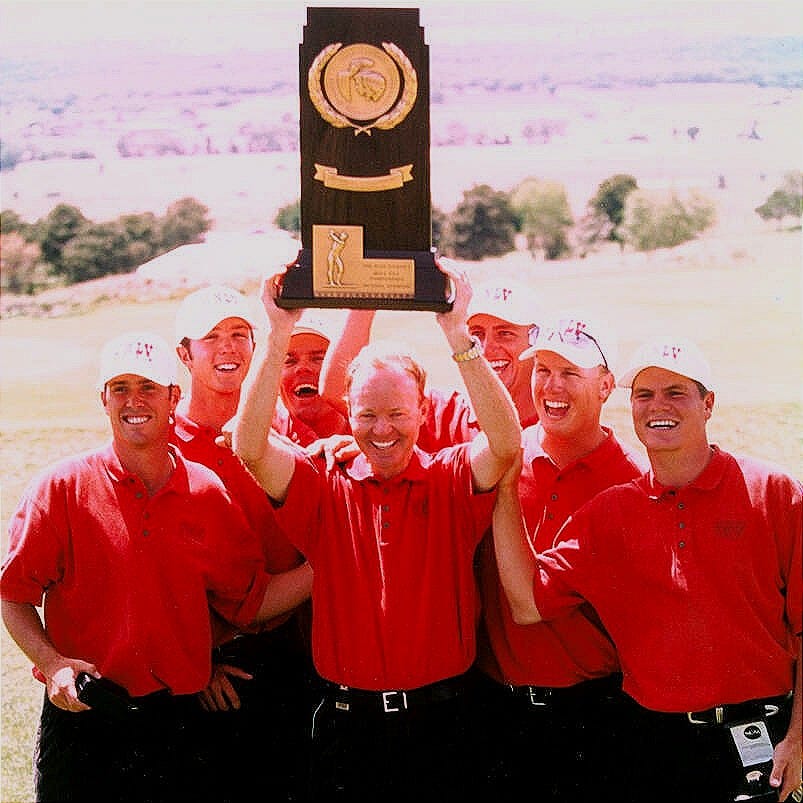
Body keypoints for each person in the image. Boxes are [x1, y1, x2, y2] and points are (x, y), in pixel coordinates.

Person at [232, 261, 522, 802]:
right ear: (348, 412)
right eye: (366, 415)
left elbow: (505, 444)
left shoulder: (450, 478)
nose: (382, 430)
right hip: (350, 729)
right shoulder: (322, 481)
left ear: (421, 409)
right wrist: (277, 337)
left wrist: (458, 334)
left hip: (444, 725)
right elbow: (250, 449)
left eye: (397, 413)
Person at [0, 331, 312, 803]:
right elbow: (14, 594)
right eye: (120, 388)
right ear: (103, 400)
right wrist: (52, 663)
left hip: (180, 724)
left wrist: (331, 564)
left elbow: (249, 603)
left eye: (147, 387)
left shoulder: (205, 490)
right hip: (85, 717)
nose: (133, 401)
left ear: (173, 397)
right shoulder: (61, 486)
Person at [492, 334, 802, 803]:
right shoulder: (611, 513)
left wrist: (798, 739)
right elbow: (528, 602)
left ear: (708, 403)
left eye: (676, 392)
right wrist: (504, 487)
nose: (659, 406)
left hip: (760, 736)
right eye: (644, 395)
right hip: (652, 744)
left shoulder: (774, 493)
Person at [474, 312, 647, 799]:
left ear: (607, 385)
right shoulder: (499, 453)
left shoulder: (631, 484)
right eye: (543, 370)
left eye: (570, 373)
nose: (552, 386)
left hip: (589, 715)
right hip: (492, 704)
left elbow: (529, 606)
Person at [173, 285, 315, 802]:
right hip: (214, 662)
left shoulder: (278, 426)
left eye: (239, 334)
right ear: (184, 355)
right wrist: (197, 661)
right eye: (212, 337)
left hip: (288, 642)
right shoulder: (164, 446)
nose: (228, 347)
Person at [270, 310, 350, 447]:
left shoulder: (372, 430)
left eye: (318, 359)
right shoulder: (264, 431)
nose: (303, 368)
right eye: (290, 361)